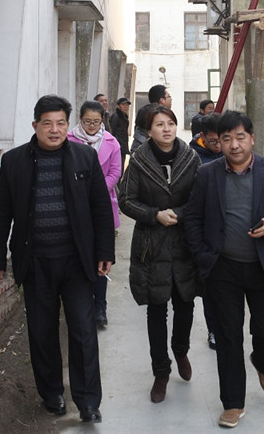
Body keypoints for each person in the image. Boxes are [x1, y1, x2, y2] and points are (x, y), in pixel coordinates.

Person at [0, 94, 115, 424]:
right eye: (47, 123)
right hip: (36, 262)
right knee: (42, 331)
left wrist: (105, 252)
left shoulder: (85, 157)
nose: (54, 130)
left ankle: (88, 401)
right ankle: (52, 393)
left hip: (76, 262)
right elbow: (1, 212)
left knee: (83, 331)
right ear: (35, 125)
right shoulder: (13, 161)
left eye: (60, 123)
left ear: (67, 126)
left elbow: (101, 208)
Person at [185, 111, 264, 429]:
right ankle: (232, 403)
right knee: (228, 337)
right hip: (222, 268)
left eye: (240, 137)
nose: (234, 145)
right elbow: (193, 217)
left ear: (251, 138)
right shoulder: (207, 174)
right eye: (227, 139)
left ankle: (263, 361)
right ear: (218, 142)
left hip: (262, 267)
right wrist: (203, 255)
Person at [118, 106, 201, 404]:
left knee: (186, 304)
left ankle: (180, 349)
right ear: (148, 130)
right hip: (151, 246)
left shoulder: (191, 158)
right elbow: (126, 199)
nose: (166, 129)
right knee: (156, 309)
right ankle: (161, 371)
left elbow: (200, 197)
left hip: (183, 243)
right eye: (159, 124)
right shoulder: (140, 161)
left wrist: (178, 214)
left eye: (170, 123)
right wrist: (155, 215)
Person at [67, 100, 122, 329]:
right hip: (75, 206)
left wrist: (97, 190)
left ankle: (100, 306)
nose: (91, 126)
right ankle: (83, 306)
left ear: (102, 121)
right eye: (87, 121)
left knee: (101, 257)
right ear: (80, 119)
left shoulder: (111, 142)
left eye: (96, 121)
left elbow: (116, 172)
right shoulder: (68, 140)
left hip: (102, 206)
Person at [188, 111, 223, 350]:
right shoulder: (193, 158)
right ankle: (213, 329)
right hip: (207, 234)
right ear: (202, 136)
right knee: (211, 288)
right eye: (213, 141)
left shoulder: (234, 153)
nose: (219, 146)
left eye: (223, 140)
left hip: (231, 234)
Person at [131, 84, 172, 154]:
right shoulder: (157, 114)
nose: (171, 99)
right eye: (169, 96)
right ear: (162, 100)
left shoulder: (143, 111)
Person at [110, 97, 131, 172]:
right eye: (123, 104)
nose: (126, 107)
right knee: (117, 170)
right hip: (118, 147)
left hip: (123, 147)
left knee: (121, 170)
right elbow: (112, 132)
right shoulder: (116, 117)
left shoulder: (124, 117)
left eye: (127, 105)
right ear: (118, 106)